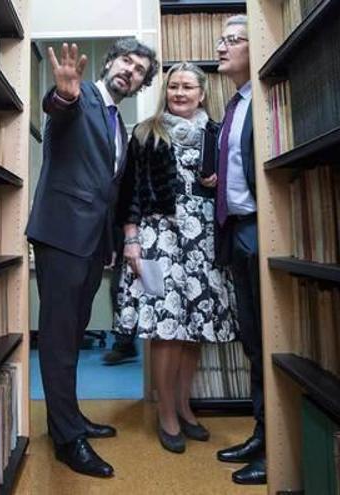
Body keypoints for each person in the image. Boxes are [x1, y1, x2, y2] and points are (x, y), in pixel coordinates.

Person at [26, 38, 158, 478]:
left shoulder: (117, 122)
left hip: (89, 242)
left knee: (73, 336)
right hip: (61, 235)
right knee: (60, 339)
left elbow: (109, 189)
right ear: (109, 62)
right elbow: (57, 109)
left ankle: (68, 418)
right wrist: (63, 93)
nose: (130, 71)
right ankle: (67, 440)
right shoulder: (79, 100)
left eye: (140, 70)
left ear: (141, 83)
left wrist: (109, 244)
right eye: (126, 61)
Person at [113, 63, 239, 454]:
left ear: (202, 94)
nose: (179, 93)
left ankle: (185, 406)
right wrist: (131, 240)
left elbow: (234, 183)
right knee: (166, 331)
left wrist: (221, 181)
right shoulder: (146, 133)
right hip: (158, 240)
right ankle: (166, 412)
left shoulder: (217, 135)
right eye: (173, 87)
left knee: (194, 331)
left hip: (203, 241)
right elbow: (130, 192)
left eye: (187, 87)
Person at [206, 14, 267, 485]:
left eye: (232, 40)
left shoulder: (266, 99)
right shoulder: (235, 104)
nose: (222, 48)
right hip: (238, 231)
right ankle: (262, 434)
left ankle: (272, 443)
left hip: (262, 229)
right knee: (253, 338)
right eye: (222, 40)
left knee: (267, 338)